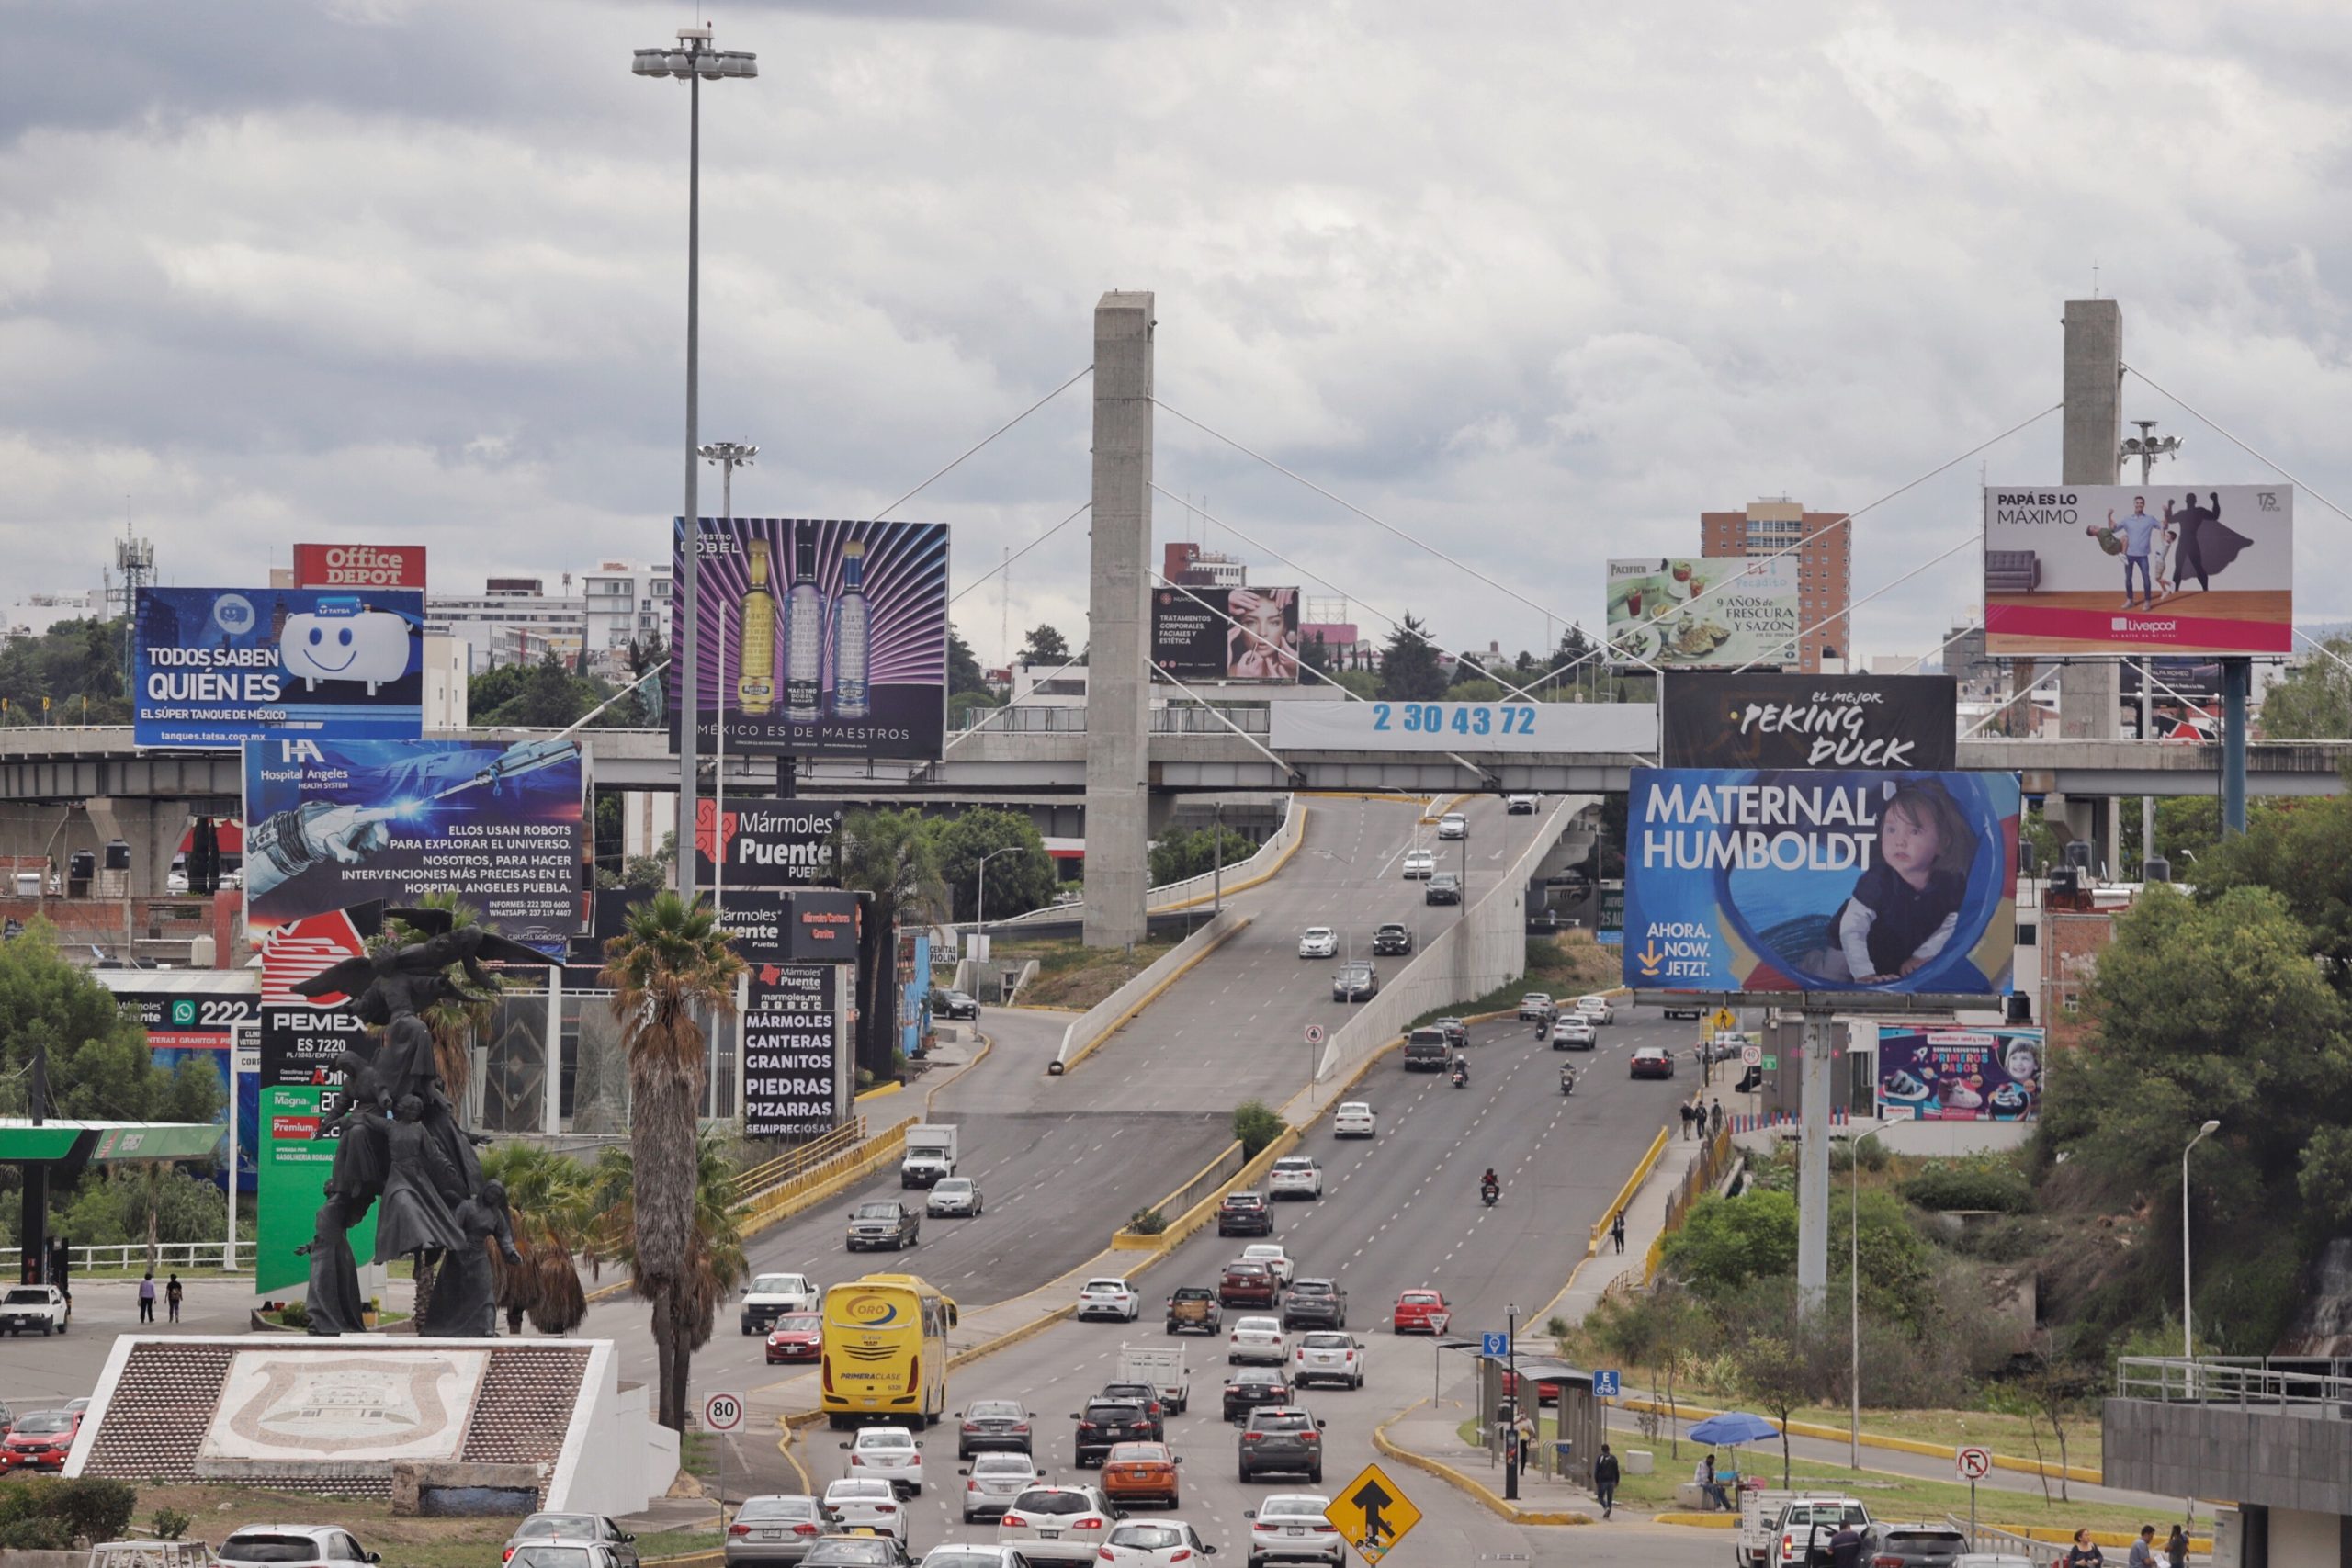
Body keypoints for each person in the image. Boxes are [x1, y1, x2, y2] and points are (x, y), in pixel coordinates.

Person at [1834, 780, 1974, 983]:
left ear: (1943, 842)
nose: (1900, 841)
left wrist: (1923, 954)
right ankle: (1816, 962)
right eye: (1891, 830)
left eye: (1914, 831)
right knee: (1832, 974)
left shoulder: (1950, 883)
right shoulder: (1878, 879)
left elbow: (1954, 922)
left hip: (1897, 950)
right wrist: (1864, 973)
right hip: (1849, 944)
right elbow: (1851, 928)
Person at [2163, 492, 2251, 602]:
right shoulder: (2196, 512)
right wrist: (2215, 500)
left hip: (2186, 542)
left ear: (2188, 501)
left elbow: (2170, 519)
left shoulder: (2189, 512)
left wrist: (2170, 506)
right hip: (2188, 542)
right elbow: (2215, 515)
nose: (2190, 501)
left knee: (2187, 567)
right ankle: (2187, 591)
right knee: (2187, 567)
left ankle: (2202, 590)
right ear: (2193, 501)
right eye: (2190, 499)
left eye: (2190, 499)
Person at [2098, 495, 2165, 608]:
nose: (2139, 504)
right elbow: (2114, 529)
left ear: (2144, 505)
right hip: (2129, 554)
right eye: (2137, 503)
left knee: (2146, 578)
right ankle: (2130, 600)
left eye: (2141, 503)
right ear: (2134, 504)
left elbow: (2163, 526)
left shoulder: (2150, 519)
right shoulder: (2127, 519)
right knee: (2128, 578)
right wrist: (2109, 516)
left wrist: (2166, 513)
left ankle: (2147, 601)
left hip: (2143, 555)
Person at [1594, 1441, 1621, 1518]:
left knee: (1600, 1497)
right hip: (1612, 1481)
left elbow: (1597, 1470)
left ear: (1602, 1450)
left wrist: (1596, 1480)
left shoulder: (1600, 1458)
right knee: (1610, 1498)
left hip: (1602, 1481)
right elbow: (1617, 1471)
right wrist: (1617, 1481)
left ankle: (1606, 1508)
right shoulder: (1614, 1458)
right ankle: (1608, 1512)